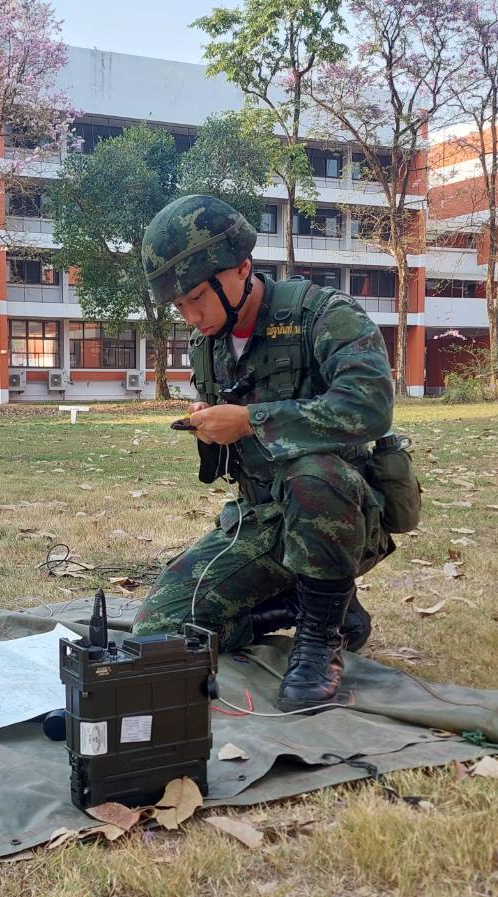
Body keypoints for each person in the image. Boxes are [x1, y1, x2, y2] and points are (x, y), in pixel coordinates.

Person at [132, 194, 416, 711]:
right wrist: (213, 425)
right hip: (261, 519)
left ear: (241, 269)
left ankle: (318, 641)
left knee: (316, 472)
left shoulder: (324, 315)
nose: (192, 317)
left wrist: (250, 421)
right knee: (161, 630)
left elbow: (370, 407)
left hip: (341, 514)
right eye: (180, 307)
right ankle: (308, 608)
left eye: (197, 298)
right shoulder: (210, 345)